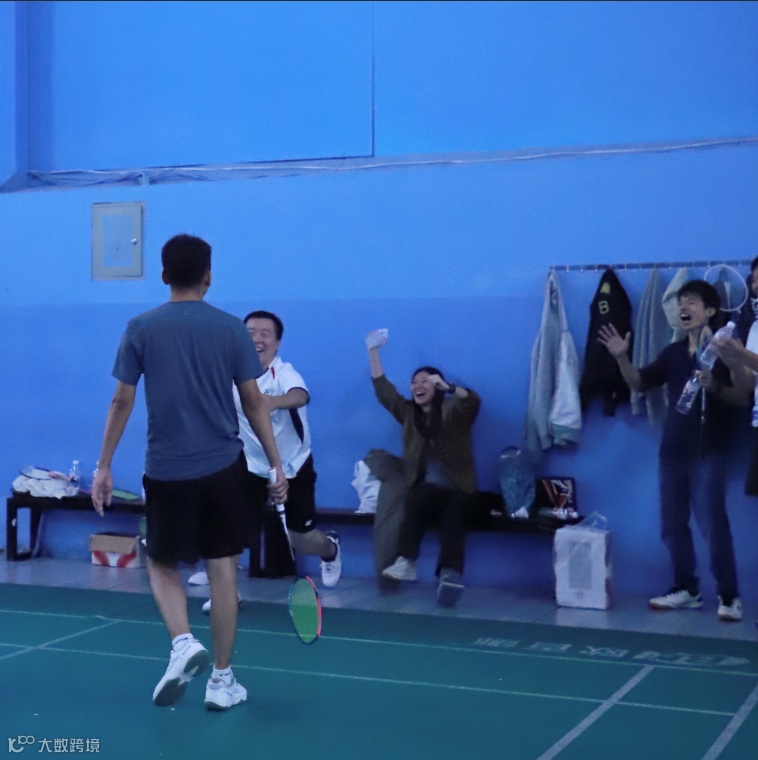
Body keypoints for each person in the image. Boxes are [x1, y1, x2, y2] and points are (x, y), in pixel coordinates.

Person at [91, 234, 288, 711]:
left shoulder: (140, 327)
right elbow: (253, 400)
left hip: (166, 470)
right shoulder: (231, 328)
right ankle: (222, 680)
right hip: (224, 468)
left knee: (160, 562)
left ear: (163, 275)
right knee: (223, 569)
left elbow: (121, 400)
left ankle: (182, 642)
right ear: (208, 276)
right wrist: (276, 463)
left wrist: (104, 465)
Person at [597, 279, 744, 622]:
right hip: (672, 451)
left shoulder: (725, 352)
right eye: (681, 302)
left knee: (713, 526)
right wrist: (621, 357)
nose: (683, 307)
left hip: (708, 451)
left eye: (691, 301)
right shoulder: (672, 353)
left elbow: (743, 397)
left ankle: (729, 595)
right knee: (672, 525)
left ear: (710, 310)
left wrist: (715, 385)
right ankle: (686, 589)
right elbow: (638, 383)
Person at [201, 310, 341, 612]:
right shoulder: (228, 373)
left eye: (265, 334)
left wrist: (272, 402)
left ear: (277, 344)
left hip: (293, 464)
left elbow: (300, 395)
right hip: (250, 464)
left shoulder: (284, 373)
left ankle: (330, 549)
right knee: (229, 528)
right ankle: (226, 593)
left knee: (300, 537)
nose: (257, 339)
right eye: (250, 332)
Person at [366, 329, 481, 607]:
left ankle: (449, 575)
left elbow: (473, 401)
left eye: (426, 381)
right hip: (427, 491)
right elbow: (384, 391)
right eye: (414, 382)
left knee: (454, 511)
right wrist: (373, 351)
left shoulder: (453, 410)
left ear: (437, 385)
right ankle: (406, 562)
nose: (418, 385)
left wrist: (449, 387)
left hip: (459, 488)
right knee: (417, 497)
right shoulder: (409, 413)